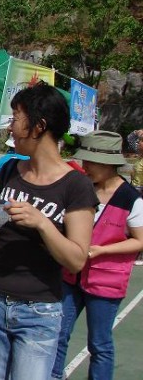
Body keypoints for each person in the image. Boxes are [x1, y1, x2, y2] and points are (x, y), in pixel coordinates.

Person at [0, 82, 98, 380]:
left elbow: (76, 259)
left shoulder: (76, 185)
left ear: (39, 126)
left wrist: (42, 223)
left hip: (37, 313)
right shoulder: (10, 170)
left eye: (16, 118)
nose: (10, 127)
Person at [51, 131, 143, 380]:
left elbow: (139, 240)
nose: (86, 166)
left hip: (106, 280)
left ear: (109, 164)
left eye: (92, 162)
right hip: (71, 274)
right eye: (85, 160)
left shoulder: (130, 199)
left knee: (99, 343)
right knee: (58, 334)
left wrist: (102, 250)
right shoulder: (82, 188)